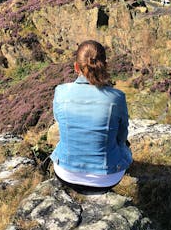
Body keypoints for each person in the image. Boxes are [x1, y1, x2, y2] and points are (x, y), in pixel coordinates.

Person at [50, 40, 132, 194]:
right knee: (124, 147)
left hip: (65, 173)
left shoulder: (60, 92)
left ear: (76, 67)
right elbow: (122, 138)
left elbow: (59, 121)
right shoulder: (116, 97)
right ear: (104, 65)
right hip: (107, 179)